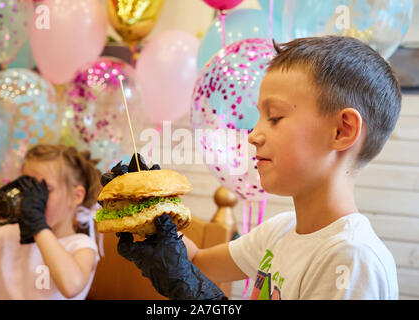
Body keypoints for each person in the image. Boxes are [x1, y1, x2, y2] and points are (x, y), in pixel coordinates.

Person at [113, 36, 401, 300]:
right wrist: (152, 216)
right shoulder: (280, 231)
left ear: (342, 130)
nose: (252, 135)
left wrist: (203, 299)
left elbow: (195, 281)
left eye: (274, 117)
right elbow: (199, 263)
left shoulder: (350, 260)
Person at [0, 144, 102, 299]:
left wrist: (38, 225)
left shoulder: (80, 245)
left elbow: (71, 285)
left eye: (45, 190)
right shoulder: (13, 234)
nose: (32, 199)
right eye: (28, 189)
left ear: (76, 196)